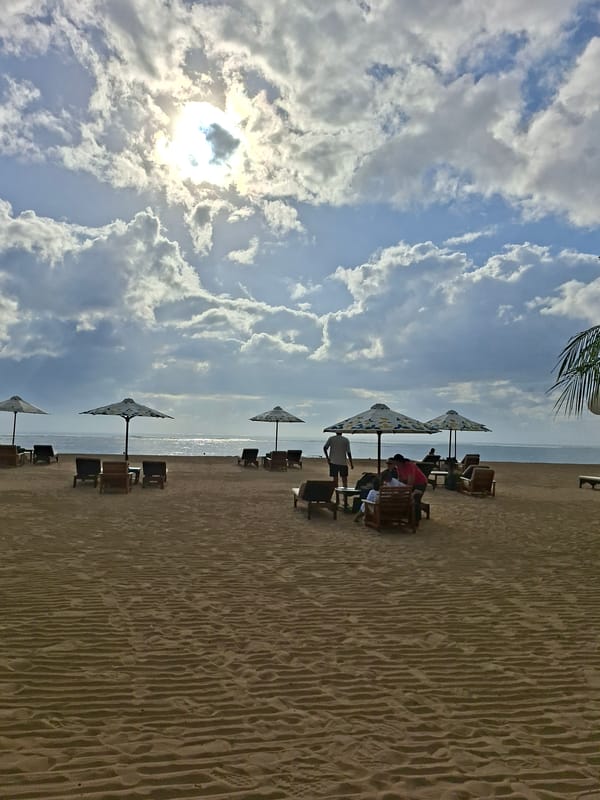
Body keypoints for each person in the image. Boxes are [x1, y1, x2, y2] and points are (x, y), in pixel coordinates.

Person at [392, 454, 428, 522]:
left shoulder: (409, 466)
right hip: (411, 483)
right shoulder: (399, 467)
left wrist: (405, 491)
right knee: (406, 497)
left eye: (396, 463)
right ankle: (410, 514)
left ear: (400, 462)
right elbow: (400, 479)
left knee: (415, 499)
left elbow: (410, 482)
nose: (396, 465)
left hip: (420, 483)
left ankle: (416, 520)